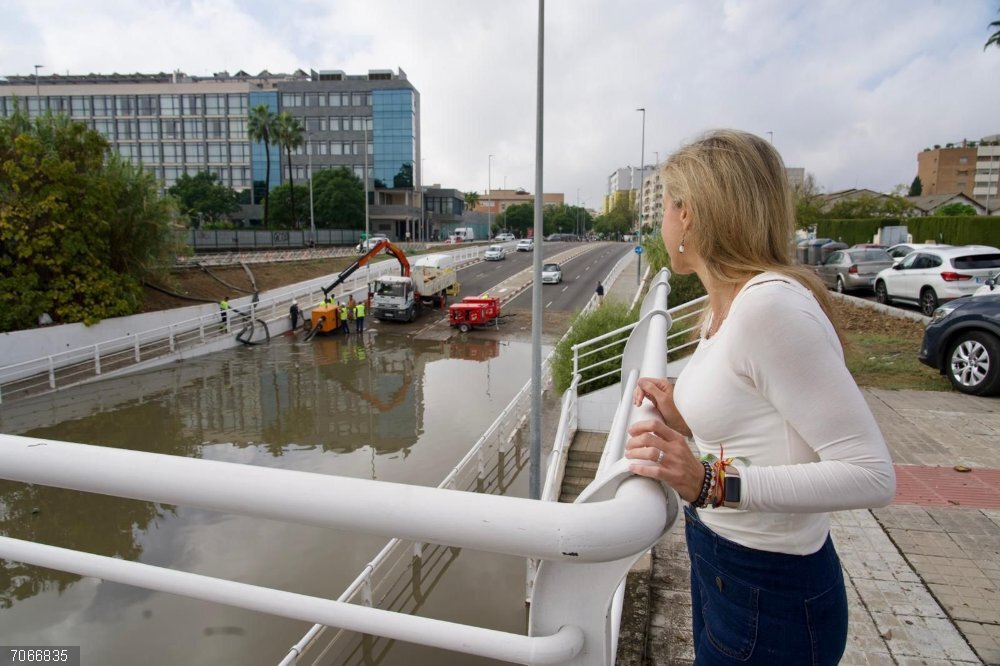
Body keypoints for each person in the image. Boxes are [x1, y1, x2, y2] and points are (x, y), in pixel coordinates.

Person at [624, 129, 895, 665]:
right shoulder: (726, 305)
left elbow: (872, 475)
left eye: (666, 207)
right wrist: (684, 417)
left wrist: (709, 481)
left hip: (770, 594)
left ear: (689, 213)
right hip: (723, 566)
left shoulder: (769, 308)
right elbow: (762, 422)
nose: (661, 224)